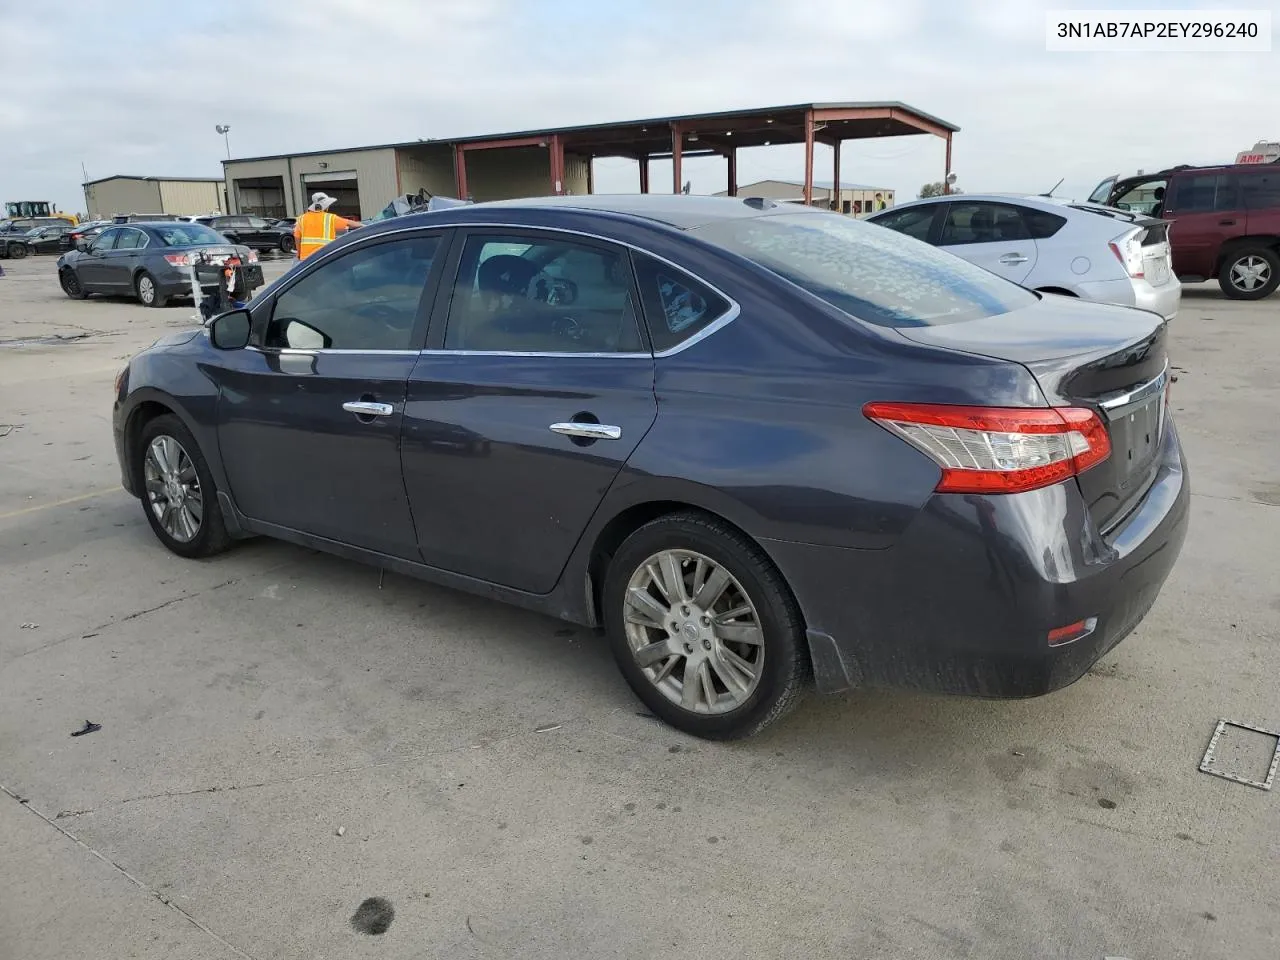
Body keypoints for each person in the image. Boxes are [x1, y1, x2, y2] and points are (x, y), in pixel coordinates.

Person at [293, 192, 361, 261]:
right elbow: (349, 223)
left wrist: (299, 253)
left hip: (306, 259)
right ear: (325, 206)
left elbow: (297, 237)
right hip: (324, 257)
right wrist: (365, 226)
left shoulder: (302, 219)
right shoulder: (330, 218)